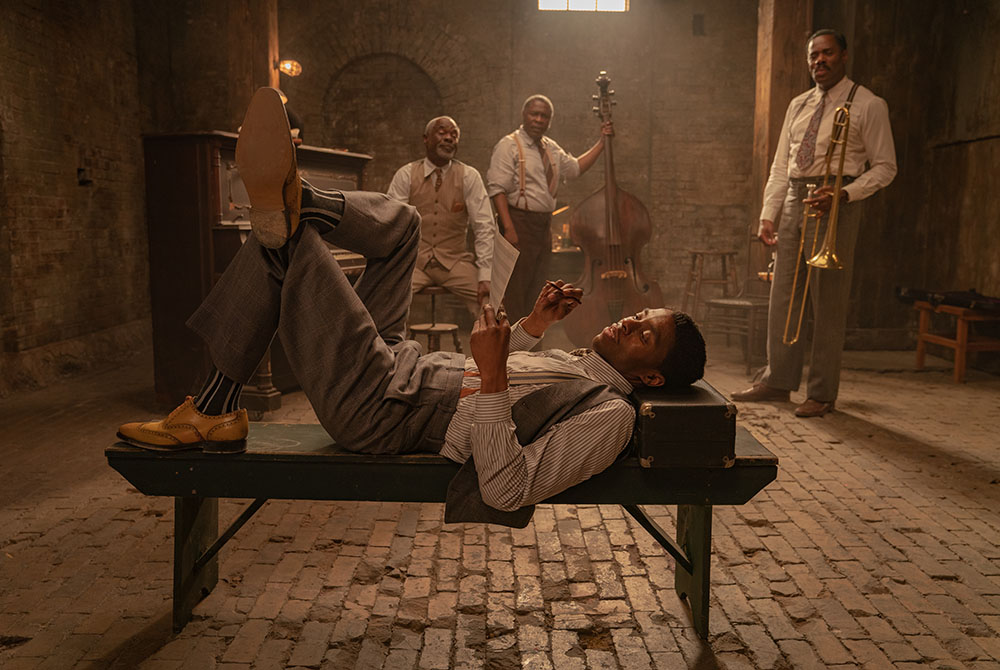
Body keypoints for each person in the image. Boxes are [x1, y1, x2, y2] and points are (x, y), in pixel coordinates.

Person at [117, 87, 706, 520]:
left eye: (643, 333)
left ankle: (216, 400)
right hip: (401, 363)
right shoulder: (585, 367)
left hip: (381, 405)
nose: (630, 320)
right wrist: (532, 325)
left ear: (651, 376)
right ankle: (302, 201)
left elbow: (507, 486)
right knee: (400, 223)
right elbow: (532, 386)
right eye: (638, 317)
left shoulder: (612, 416)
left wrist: (494, 377)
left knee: (288, 246)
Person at [732, 29, 897, 418]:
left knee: (828, 300)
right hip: (793, 196)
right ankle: (778, 380)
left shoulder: (868, 104)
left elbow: (887, 168)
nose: (818, 62)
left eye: (826, 54)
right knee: (783, 296)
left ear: (843, 56)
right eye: (813, 56)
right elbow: (779, 164)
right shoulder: (799, 104)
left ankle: (822, 392)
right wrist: (767, 214)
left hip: (834, 201)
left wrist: (843, 194)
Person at [486, 94, 613, 321]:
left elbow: (574, 169)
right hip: (518, 222)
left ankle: (530, 348)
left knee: (537, 290)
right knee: (515, 290)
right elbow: (497, 189)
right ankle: (513, 350)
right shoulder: (509, 145)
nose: (538, 119)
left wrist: (602, 143)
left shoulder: (550, 148)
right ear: (524, 115)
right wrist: (509, 228)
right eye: (534, 114)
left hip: (542, 226)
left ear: (549, 121)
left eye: (544, 116)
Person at [387, 116, 495, 314]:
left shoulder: (469, 176)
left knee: (492, 305)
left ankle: (492, 345)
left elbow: (484, 227)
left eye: (454, 135)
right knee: (384, 300)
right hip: (414, 263)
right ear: (426, 138)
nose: (449, 138)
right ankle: (390, 346)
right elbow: (392, 223)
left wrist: (485, 275)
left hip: (455, 262)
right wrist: (394, 266)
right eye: (442, 132)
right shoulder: (406, 174)